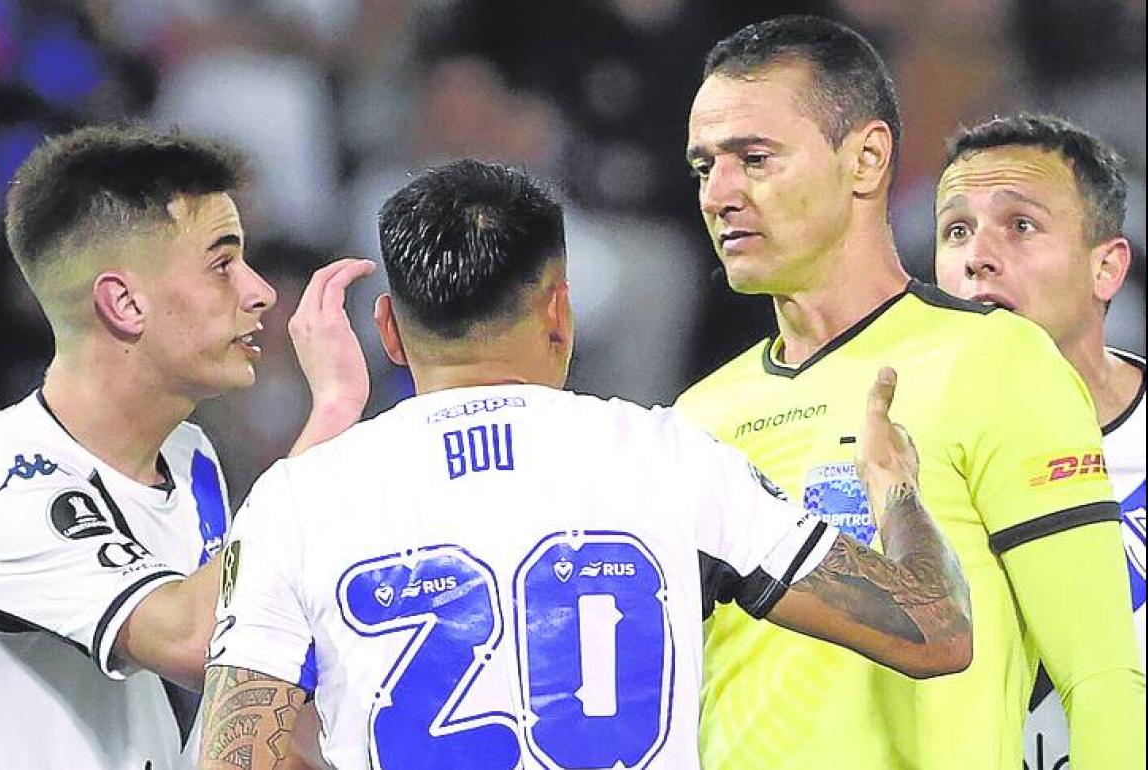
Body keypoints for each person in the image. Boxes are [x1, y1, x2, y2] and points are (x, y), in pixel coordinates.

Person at [195, 158, 973, 770]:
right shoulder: (671, 459)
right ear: (560, 313)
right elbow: (934, 631)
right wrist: (897, 491)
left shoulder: (297, 500)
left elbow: (233, 758)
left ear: (390, 333)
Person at [675, 15, 1144, 770]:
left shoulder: (994, 361)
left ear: (866, 159)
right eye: (705, 167)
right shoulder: (693, 420)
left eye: (754, 159)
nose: (719, 194)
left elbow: (1101, 678)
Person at [0, 125, 374, 769]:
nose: (259, 291)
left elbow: (239, 697)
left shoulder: (188, 456)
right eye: (222, 265)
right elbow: (200, 638)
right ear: (123, 303)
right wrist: (335, 412)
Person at [933, 112, 1146, 770]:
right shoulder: (896, 450)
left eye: (1020, 225)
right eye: (956, 230)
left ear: (1106, 268)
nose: (977, 256)